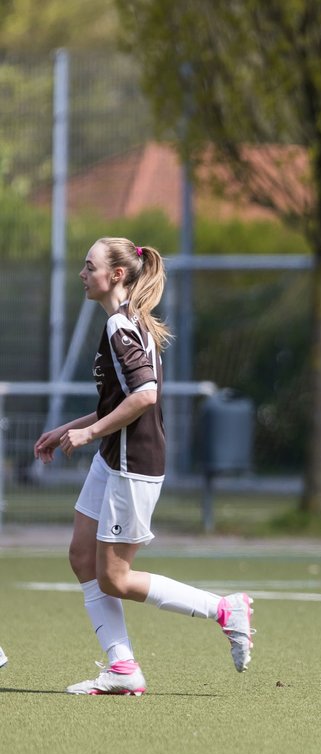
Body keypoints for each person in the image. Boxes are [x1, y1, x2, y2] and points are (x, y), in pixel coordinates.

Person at [33, 237, 254, 695]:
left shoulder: (120, 324)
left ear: (115, 275)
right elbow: (120, 401)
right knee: (81, 557)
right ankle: (122, 668)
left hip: (133, 464)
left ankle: (224, 610)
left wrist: (89, 434)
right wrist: (67, 428)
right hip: (113, 457)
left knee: (114, 577)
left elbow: (145, 396)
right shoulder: (125, 321)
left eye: (88, 266)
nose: (82, 273)